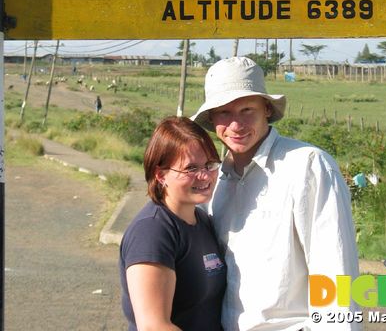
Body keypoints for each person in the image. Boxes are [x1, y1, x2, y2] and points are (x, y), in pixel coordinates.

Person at [191, 57, 360, 331]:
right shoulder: (216, 180)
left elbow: (334, 269)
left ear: (267, 109)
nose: (236, 125)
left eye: (246, 109)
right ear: (212, 119)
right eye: (223, 112)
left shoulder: (306, 166)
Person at [119, 116, 226, 331]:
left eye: (209, 164)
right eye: (191, 169)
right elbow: (154, 326)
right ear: (161, 175)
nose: (205, 176)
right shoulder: (152, 231)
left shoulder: (202, 220)